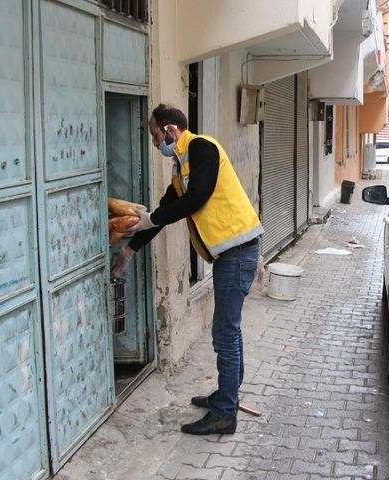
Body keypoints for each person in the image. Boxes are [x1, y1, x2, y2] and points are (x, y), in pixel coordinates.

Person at [112, 104, 263, 435]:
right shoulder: (181, 168)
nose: (154, 143)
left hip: (238, 253)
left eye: (155, 135)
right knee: (228, 331)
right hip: (230, 255)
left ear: (170, 130)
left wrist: (152, 219)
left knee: (224, 332)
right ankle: (227, 397)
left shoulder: (201, 147)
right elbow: (165, 210)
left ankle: (225, 413)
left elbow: (196, 199)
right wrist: (129, 249)